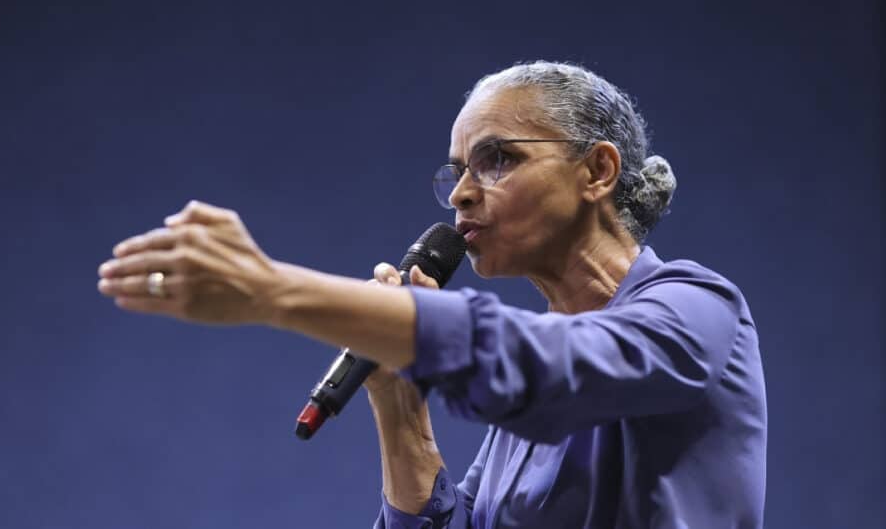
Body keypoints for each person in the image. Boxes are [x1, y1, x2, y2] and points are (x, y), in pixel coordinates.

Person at [97, 61, 767, 528]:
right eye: (456, 171)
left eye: (497, 159)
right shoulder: (517, 417)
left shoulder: (701, 310)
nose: (461, 194)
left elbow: (550, 367)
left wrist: (273, 290)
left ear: (597, 170)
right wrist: (400, 409)